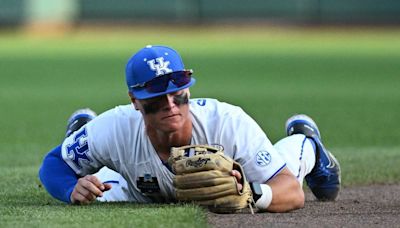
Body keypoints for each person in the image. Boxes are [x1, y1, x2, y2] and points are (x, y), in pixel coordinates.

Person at [39, 45, 341, 212]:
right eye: (157, 96)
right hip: (138, 188)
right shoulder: (116, 127)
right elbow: (53, 164)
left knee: (288, 167)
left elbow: (291, 192)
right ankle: (80, 141)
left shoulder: (227, 122)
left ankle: (308, 142)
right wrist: (69, 188)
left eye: (178, 92)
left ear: (188, 90)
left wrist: (252, 192)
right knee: (94, 192)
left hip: (243, 178)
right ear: (135, 100)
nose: (171, 104)